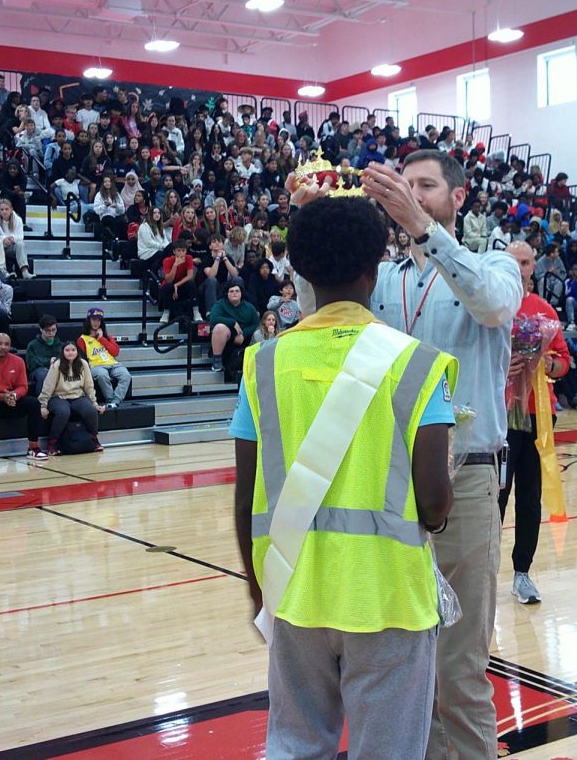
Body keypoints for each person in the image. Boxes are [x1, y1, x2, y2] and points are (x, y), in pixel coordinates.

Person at [231, 195, 455, 760]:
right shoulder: (418, 363)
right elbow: (434, 504)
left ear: (300, 271)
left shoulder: (261, 363)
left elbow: (245, 494)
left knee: (294, 746)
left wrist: (260, 584)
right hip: (388, 596)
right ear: (374, 268)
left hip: (293, 586)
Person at [357, 151, 522, 760]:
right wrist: (312, 234)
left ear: (459, 196)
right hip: (387, 480)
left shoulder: (497, 263)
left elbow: (493, 307)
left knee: (457, 669)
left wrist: (426, 231)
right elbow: (324, 314)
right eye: (406, 186)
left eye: (426, 185)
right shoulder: (384, 275)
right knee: (401, 660)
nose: (413, 194)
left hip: (466, 479)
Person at [499, 243, 570, 605]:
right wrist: (505, 365)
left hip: (537, 413)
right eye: (512, 261)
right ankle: (480, 572)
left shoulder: (545, 311)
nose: (519, 267)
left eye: (525, 262)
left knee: (529, 497)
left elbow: (564, 362)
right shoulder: (491, 307)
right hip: (499, 415)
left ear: (532, 268)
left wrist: (543, 362)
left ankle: (522, 573)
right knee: (493, 496)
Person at [0, 332, 46, 463]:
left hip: (12, 400)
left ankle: (33, 447)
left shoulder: (18, 361)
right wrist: (1, 397)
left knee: (33, 404)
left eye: (6, 344)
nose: (3, 347)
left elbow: (23, 387)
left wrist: (13, 396)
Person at [38, 342, 103, 456]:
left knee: (90, 410)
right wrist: (43, 405)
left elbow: (89, 385)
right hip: (58, 397)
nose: (70, 352)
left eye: (73, 350)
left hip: (77, 396)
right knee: (63, 412)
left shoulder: (83, 364)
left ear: (77, 352)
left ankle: (94, 438)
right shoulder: (57, 365)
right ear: (63, 352)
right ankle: (52, 443)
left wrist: (94, 403)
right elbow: (48, 386)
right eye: (67, 350)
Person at [78, 309, 131, 408]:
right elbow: (82, 357)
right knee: (103, 375)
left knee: (126, 375)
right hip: (96, 366)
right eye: (94, 319)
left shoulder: (107, 337)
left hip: (113, 364)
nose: (96, 322)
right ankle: (110, 400)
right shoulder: (82, 339)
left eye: (99, 320)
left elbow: (116, 352)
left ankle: (116, 401)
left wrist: (101, 339)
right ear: (88, 320)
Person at [207, 283, 260, 374]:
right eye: (231, 291)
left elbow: (256, 324)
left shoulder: (249, 307)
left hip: (244, 339)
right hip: (226, 337)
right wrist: (232, 322)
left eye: (237, 291)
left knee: (259, 333)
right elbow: (213, 319)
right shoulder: (220, 304)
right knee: (219, 327)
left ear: (241, 293)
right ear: (227, 293)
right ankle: (217, 361)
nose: (234, 293)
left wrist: (243, 334)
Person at [158, 240, 197, 324]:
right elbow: (169, 280)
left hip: (181, 286)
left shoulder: (189, 258)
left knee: (191, 284)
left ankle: (196, 311)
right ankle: (166, 312)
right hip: (170, 288)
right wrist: (175, 265)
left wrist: (177, 285)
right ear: (174, 251)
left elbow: (190, 276)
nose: (181, 253)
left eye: (183, 250)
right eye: (178, 250)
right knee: (168, 286)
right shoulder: (167, 260)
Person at [0, 200, 32, 279]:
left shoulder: (18, 219)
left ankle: (25, 271)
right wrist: (4, 239)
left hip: (12, 246)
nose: (4, 212)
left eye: (6, 209)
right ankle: (3, 271)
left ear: (11, 209)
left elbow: (20, 236)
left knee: (21, 244)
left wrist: (13, 238)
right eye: (2, 209)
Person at [25, 315, 63, 396]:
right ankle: (42, 402)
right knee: (43, 373)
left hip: (57, 369)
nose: (51, 333)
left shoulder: (61, 345)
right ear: (41, 329)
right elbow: (31, 364)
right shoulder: (32, 345)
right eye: (48, 330)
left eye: (53, 330)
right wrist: (48, 361)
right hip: (38, 371)